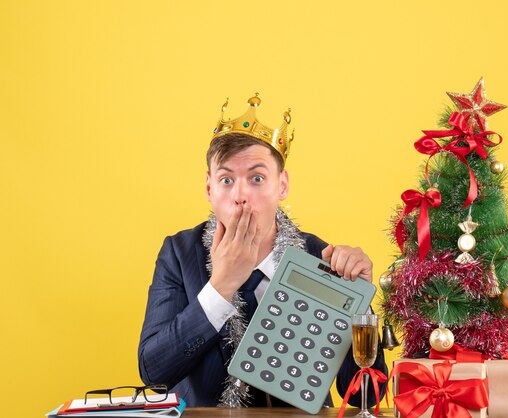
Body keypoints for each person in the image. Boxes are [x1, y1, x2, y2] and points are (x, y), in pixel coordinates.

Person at [138, 94, 387, 408]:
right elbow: (154, 371)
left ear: (282, 185)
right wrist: (221, 287)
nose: (240, 195)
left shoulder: (318, 256)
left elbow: (368, 393)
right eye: (226, 179)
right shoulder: (179, 253)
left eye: (257, 178)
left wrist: (359, 305)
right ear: (209, 188)